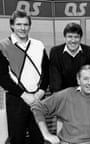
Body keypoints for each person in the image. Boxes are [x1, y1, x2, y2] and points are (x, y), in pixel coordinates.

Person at [32, 65, 90, 144]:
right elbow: (37, 107)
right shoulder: (66, 95)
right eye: (85, 79)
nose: (89, 83)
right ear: (78, 80)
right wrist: (46, 134)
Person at [0, 10, 49, 144]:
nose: (22, 28)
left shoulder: (38, 45)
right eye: (19, 24)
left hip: (38, 99)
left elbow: (46, 70)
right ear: (12, 26)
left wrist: (41, 91)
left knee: (39, 138)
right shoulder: (3, 46)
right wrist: (23, 94)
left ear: (29, 26)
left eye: (26, 24)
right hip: (16, 100)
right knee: (17, 139)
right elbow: (2, 77)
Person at [49, 22, 90, 93]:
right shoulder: (55, 52)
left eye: (76, 37)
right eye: (70, 37)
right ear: (65, 37)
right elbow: (55, 80)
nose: (73, 41)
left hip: (85, 95)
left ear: (80, 38)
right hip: (63, 95)